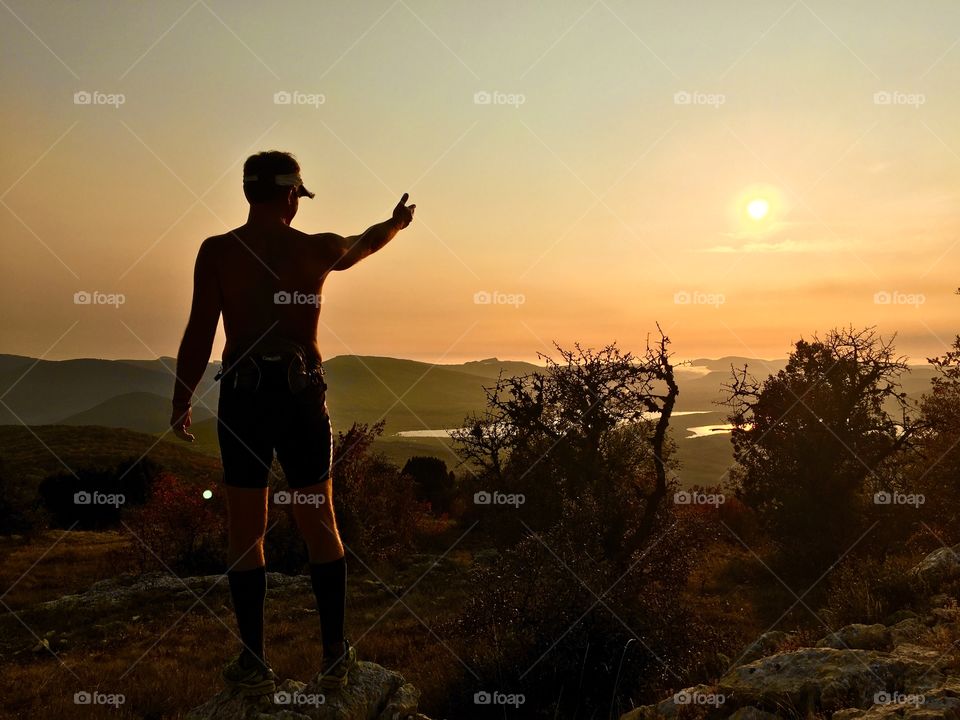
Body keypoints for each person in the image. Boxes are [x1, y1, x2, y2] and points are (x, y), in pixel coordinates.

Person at [169, 150, 415, 699]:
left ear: (249, 193)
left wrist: (181, 400)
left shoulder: (218, 253)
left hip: (243, 399)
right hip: (302, 400)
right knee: (318, 522)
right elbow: (365, 242)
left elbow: (198, 333)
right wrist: (396, 225)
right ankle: (334, 658)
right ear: (288, 196)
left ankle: (254, 662)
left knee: (244, 529)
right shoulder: (315, 249)